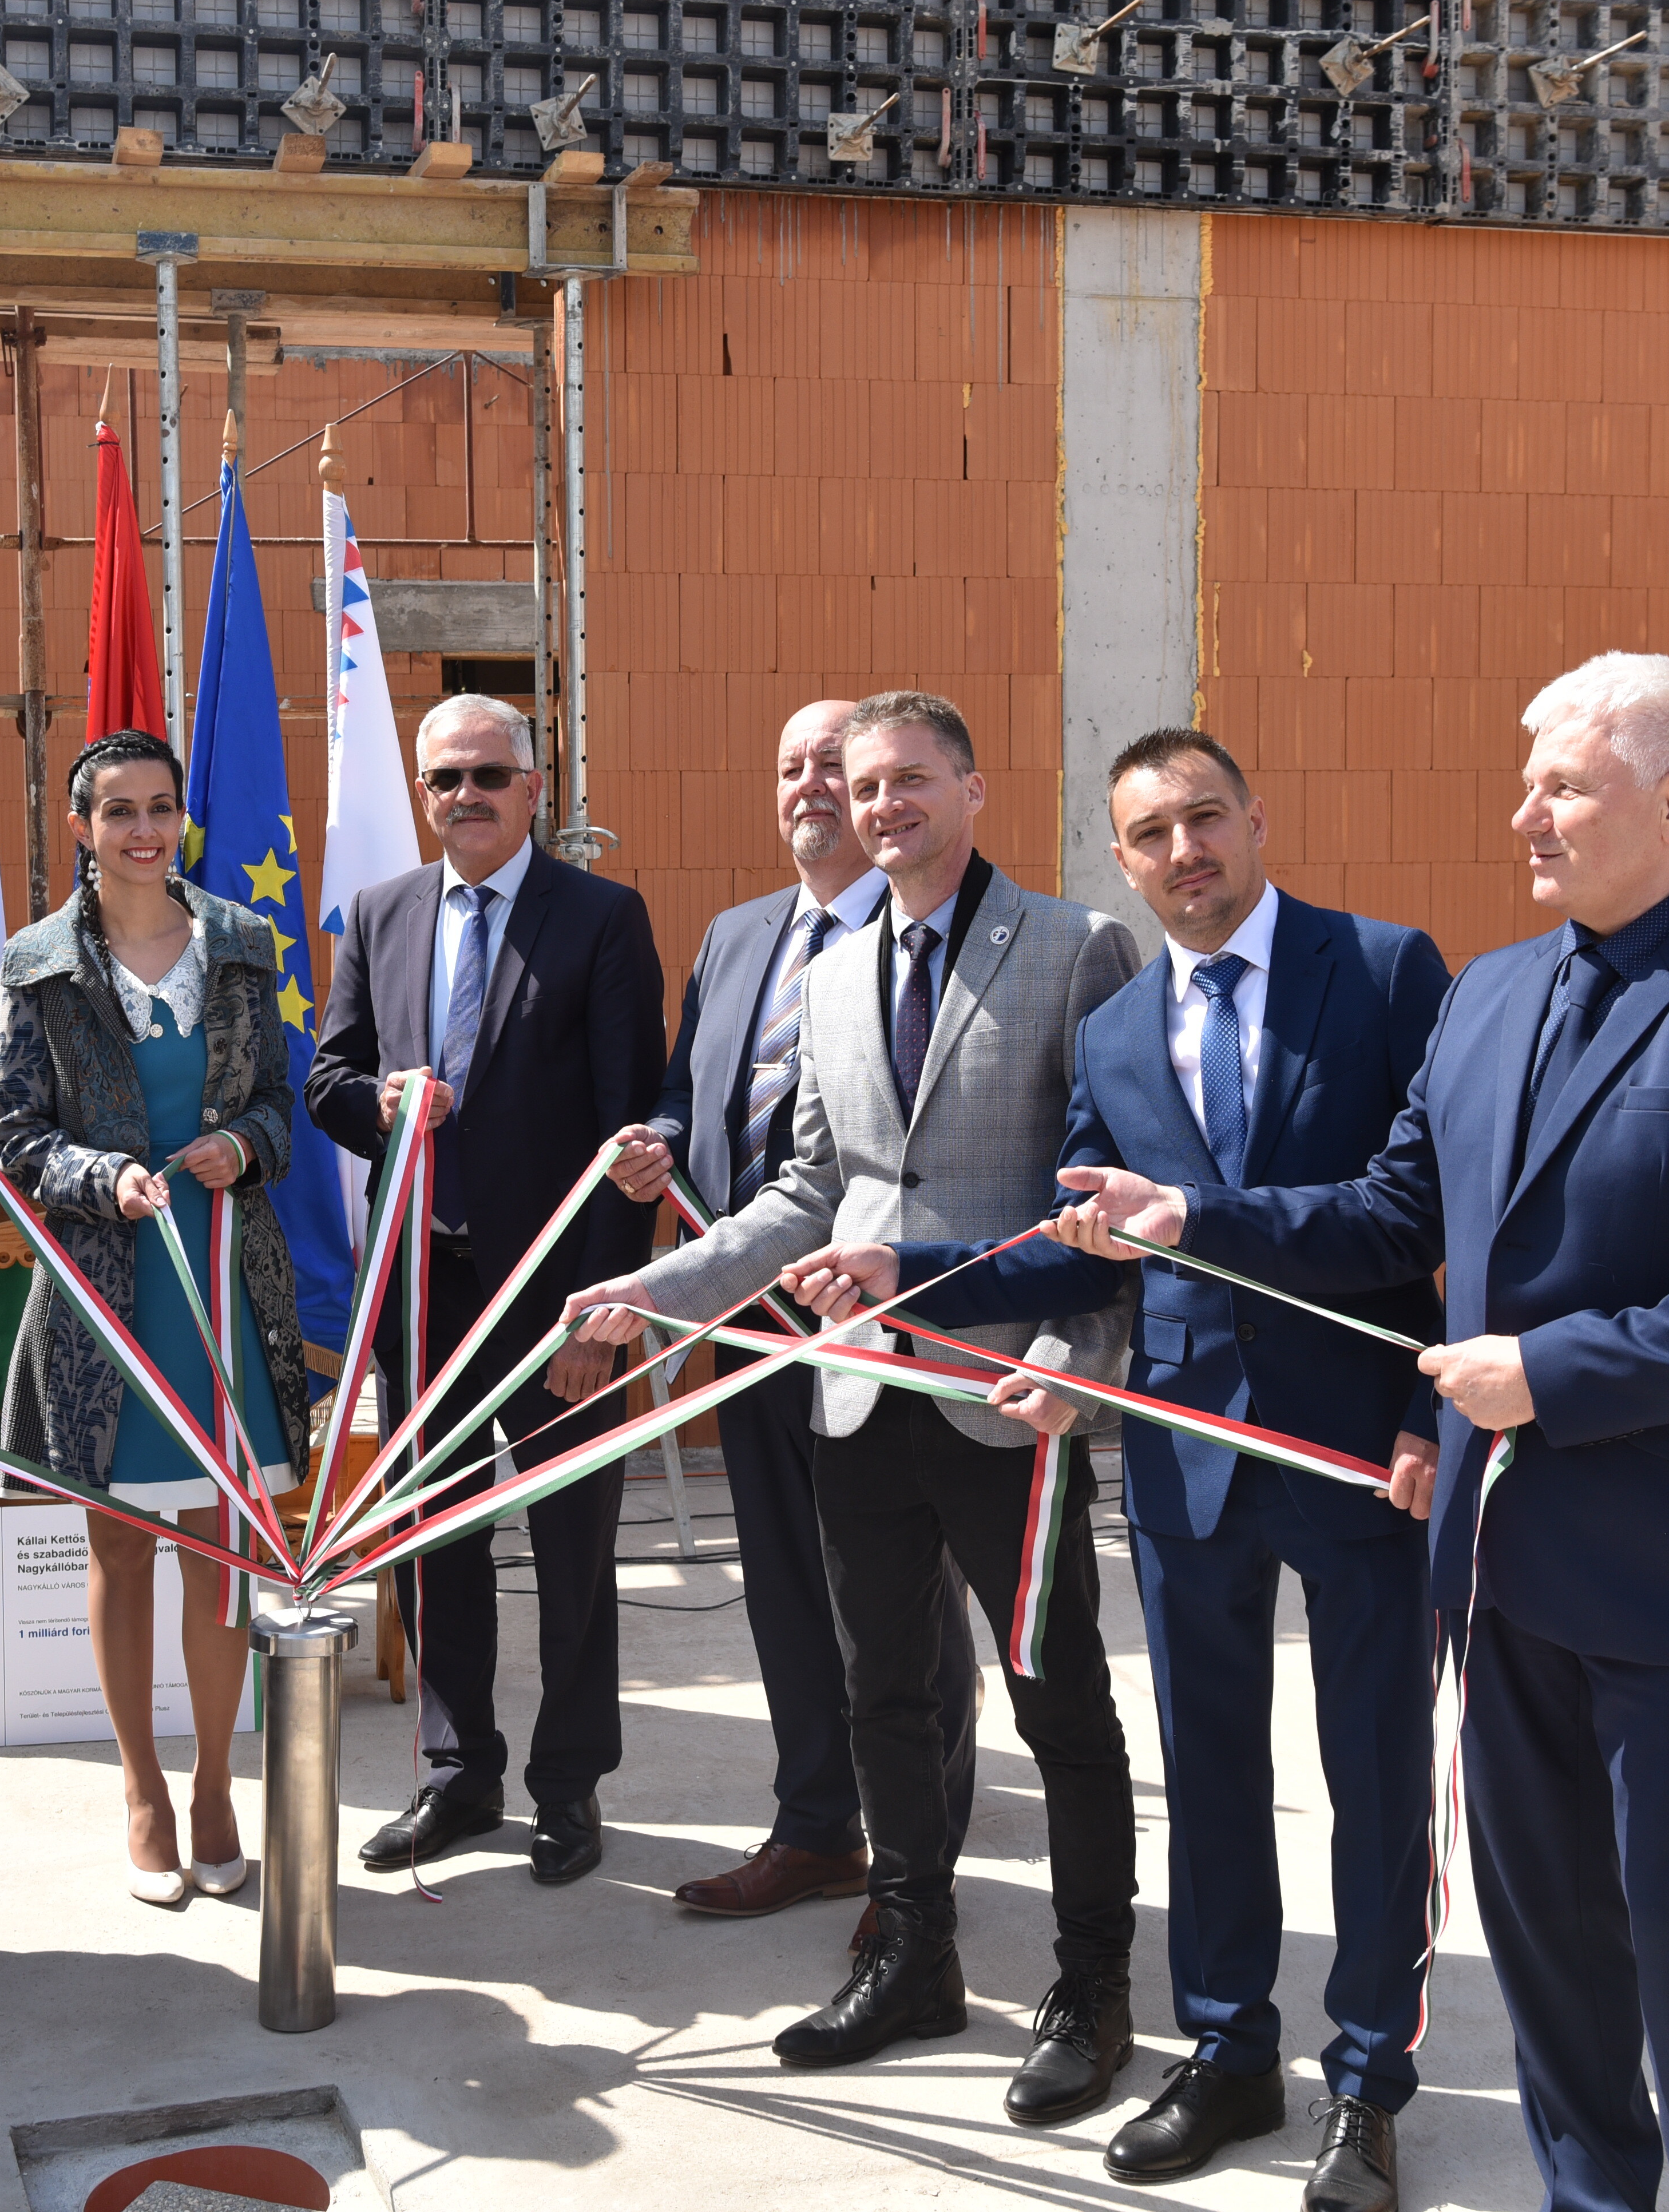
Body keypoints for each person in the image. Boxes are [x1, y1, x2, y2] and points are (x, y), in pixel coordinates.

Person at [800, 656, 1669, 2212]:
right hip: (1502, 1570)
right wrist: (1183, 1220)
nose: (1525, 814)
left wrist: (1545, 1373)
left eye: (1563, 786)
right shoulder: (1498, 996)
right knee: (1551, 1954)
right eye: (1526, 782)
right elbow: (1391, 1212)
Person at [783, 727, 1450, 2209]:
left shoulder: (1382, 969)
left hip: (1354, 1442)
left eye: (1205, 818)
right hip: (1184, 1452)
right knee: (1207, 1772)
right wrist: (911, 1273)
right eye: (1150, 835)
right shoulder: (1119, 1030)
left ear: (1257, 817)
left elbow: (1426, 1208)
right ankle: (1225, 2052)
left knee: (1373, 1778)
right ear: (1122, 858)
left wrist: (1436, 1412)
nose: (1183, 853)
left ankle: (1363, 2082)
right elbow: (1086, 1242)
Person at [562, 690, 1144, 2131]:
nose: (881, 805)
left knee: (1057, 1702)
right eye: (863, 784)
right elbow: (809, 1191)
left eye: (907, 779)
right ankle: (914, 1956)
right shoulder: (827, 974)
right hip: (859, 1391)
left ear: (972, 788)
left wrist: (1076, 1358)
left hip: (1012, 1395)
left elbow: (1105, 1200)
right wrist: (660, 1291)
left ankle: (1090, 1986)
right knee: (883, 1692)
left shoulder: (1074, 947)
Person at [604, 699, 984, 1930]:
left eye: (836, 765)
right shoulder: (736, 936)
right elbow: (692, 1090)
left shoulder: (922, 928)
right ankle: (817, 1826)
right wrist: (660, 1141)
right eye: (791, 767)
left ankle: (919, 1857)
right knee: (780, 1581)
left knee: (904, 1600)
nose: (813, 787)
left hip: (878, 1317)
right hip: (749, 1317)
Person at [306, 693, 667, 1888]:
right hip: (424, 1289)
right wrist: (380, 1103)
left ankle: (569, 1787)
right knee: (434, 1543)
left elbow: (630, 1127)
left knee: (572, 1548)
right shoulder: (379, 912)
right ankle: (459, 1775)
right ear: (422, 794)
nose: (465, 796)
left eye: (487, 775)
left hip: (557, 1301)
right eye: (443, 779)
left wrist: (603, 1308)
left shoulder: (602, 918)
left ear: (532, 786)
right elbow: (328, 1078)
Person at [0, 730, 318, 1905]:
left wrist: (243, 1145)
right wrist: (103, 1176)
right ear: (80, 826)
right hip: (107, 1297)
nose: (143, 830)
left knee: (224, 1551)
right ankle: (141, 1788)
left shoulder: (243, 942)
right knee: (122, 1544)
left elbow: (280, 1099)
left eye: (160, 807)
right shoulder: (36, 963)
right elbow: (15, 1135)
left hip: (227, 1285)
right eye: (118, 810)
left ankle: (217, 1782)